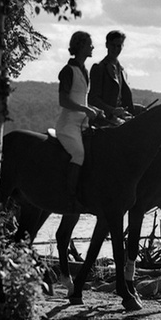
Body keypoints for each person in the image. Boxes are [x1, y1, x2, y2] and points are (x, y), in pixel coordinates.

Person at [56, 31, 103, 210]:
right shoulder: (68, 70)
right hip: (68, 125)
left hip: (82, 124)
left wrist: (95, 110)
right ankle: (69, 196)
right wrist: (85, 109)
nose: (92, 47)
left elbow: (81, 99)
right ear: (81, 46)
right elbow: (63, 101)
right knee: (79, 154)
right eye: (89, 44)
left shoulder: (83, 70)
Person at [89, 29, 143, 121]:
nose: (115, 49)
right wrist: (112, 110)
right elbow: (93, 99)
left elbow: (123, 102)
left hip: (119, 119)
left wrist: (138, 108)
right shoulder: (99, 68)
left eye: (118, 46)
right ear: (107, 45)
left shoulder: (122, 71)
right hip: (104, 120)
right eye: (113, 45)